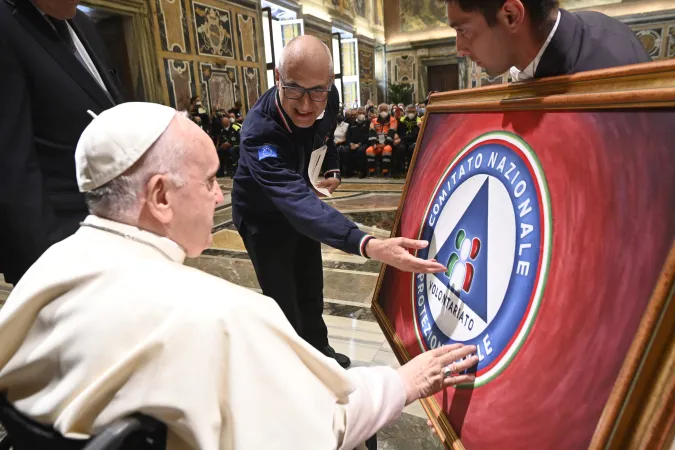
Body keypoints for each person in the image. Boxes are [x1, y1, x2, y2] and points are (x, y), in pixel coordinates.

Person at [0, 101, 480, 450]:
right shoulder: (221, 315)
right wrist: (404, 382)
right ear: (160, 197)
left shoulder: (47, 267)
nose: (218, 197)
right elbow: (320, 430)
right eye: (210, 180)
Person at [232, 35, 447, 370]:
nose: (306, 105)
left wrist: (330, 165)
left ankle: (320, 352)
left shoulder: (326, 98)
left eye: (316, 91)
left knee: (310, 288)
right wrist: (368, 243)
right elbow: (294, 201)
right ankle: (298, 371)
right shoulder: (259, 132)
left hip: (302, 203)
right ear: (278, 77)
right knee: (283, 299)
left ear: (329, 84)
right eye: (294, 90)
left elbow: (325, 134)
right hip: (264, 216)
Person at [0, 0, 124, 286]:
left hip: (113, 229)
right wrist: (48, 267)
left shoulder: (81, 22)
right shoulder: (5, 25)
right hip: (60, 241)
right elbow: (11, 165)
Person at [444, 0, 650, 81]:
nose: (460, 49)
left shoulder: (596, 90)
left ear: (511, 16)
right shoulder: (597, 22)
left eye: (463, 30)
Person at [366, 103, 399, 178]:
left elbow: (392, 132)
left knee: (387, 150)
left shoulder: (393, 120)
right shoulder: (374, 121)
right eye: (381, 110)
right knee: (369, 150)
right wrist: (374, 144)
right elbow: (371, 132)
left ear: (388, 110)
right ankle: (372, 172)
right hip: (377, 143)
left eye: (385, 110)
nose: (383, 111)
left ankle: (385, 172)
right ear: (378, 111)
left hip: (388, 143)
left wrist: (385, 143)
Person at [217, 113, 241, 177]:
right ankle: (221, 171)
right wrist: (223, 145)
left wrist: (231, 144)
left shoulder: (235, 127)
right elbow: (222, 140)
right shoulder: (222, 131)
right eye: (225, 122)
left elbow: (239, 139)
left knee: (232, 151)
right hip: (227, 147)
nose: (227, 122)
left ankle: (235, 170)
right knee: (219, 151)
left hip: (236, 146)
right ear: (222, 123)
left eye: (227, 121)